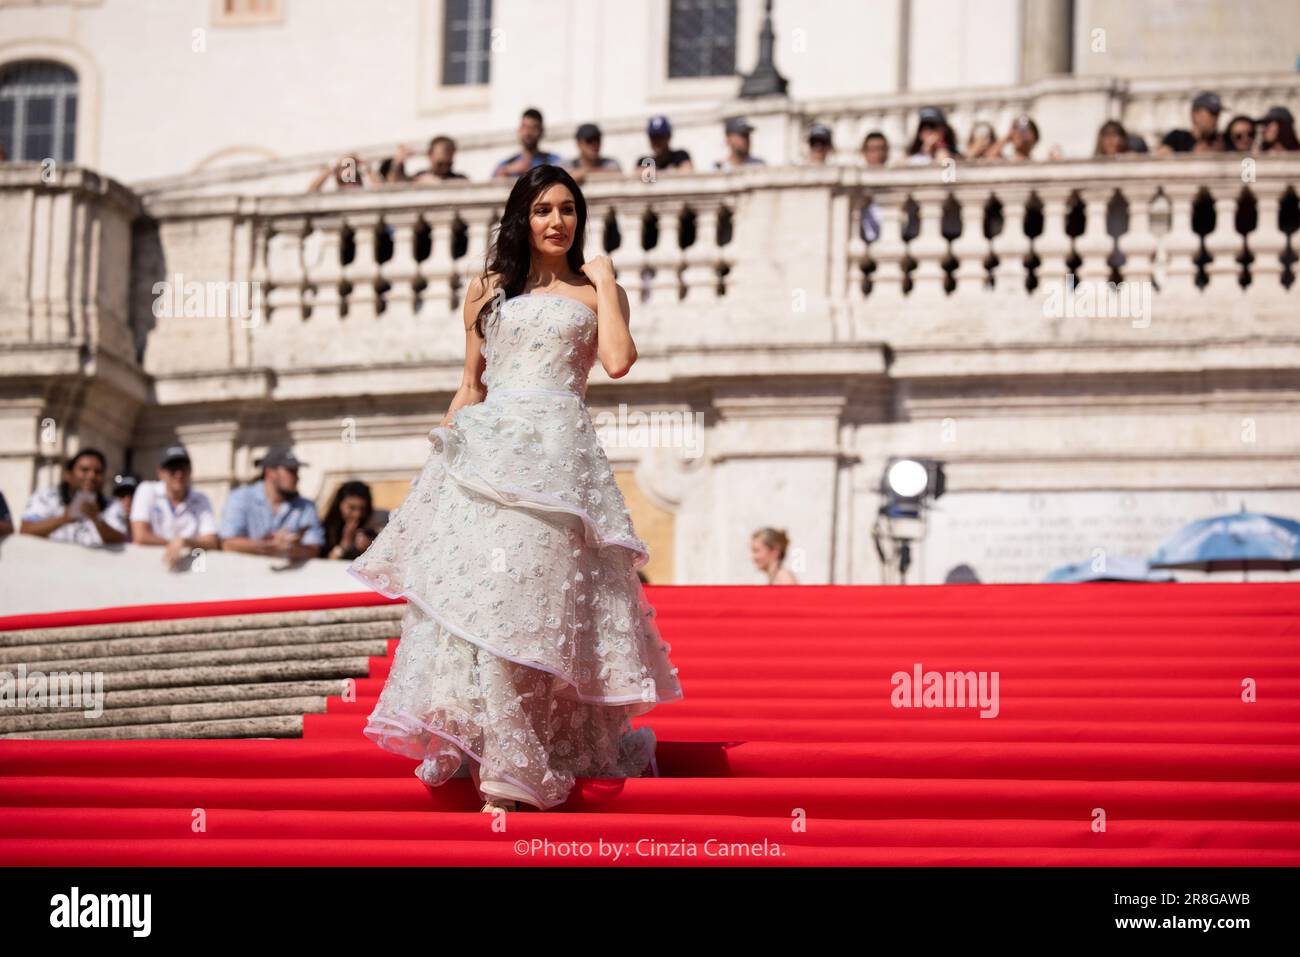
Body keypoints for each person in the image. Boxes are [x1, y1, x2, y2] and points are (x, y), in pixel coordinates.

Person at [346, 164, 683, 813]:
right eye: (542, 210)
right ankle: (505, 760)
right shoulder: (487, 289)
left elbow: (617, 360)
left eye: (567, 208)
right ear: (522, 219)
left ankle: (523, 756)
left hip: (559, 461)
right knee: (488, 601)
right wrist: (440, 465)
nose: (557, 220)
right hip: (490, 452)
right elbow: (471, 382)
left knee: (536, 601)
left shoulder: (594, 289)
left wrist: (609, 283)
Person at [219, 447, 324, 562]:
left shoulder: (306, 506)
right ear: (270, 472)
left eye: (296, 471)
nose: (297, 477)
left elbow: (314, 549)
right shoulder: (240, 498)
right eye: (291, 471)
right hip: (245, 576)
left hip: (288, 579)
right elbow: (227, 543)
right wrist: (268, 545)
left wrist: (290, 548)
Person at [129, 443, 220, 570]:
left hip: (191, 575)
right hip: (149, 570)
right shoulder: (147, 490)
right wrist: (176, 544)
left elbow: (211, 542)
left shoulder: (201, 499)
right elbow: (141, 536)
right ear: (160, 472)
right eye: (173, 469)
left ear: (190, 471)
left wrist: (184, 542)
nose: (179, 474)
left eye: (183, 468)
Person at [19, 448, 129, 547]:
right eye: (84, 470)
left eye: (98, 472)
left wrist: (97, 520)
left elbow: (123, 542)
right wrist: (65, 518)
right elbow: (26, 530)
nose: (91, 476)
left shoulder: (112, 505)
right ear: (68, 475)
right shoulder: (46, 497)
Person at [493, 107, 562, 179]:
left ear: (541, 131)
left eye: (533, 128)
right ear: (519, 129)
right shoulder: (507, 164)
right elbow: (492, 182)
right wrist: (508, 170)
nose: (527, 133)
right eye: (524, 127)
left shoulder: (553, 161)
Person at [320, 480, 376, 560]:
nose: (357, 515)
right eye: (352, 508)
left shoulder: (373, 530)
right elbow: (322, 564)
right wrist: (344, 545)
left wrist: (371, 547)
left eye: (362, 509)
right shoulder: (323, 530)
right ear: (339, 504)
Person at [1157, 91, 1225, 155]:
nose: (1215, 118)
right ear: (1195, 114)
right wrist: (1193, 155)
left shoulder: (1223, 140)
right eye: (1212, 113)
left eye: (1218, 113)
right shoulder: (1176, 138)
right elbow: (1162, 157)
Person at [307, 153, 379, 191]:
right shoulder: (333, 196)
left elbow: (383, 190)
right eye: (344, 167)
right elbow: (311, 191)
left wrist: (367, 168)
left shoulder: (365, 192)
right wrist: (333, 166)